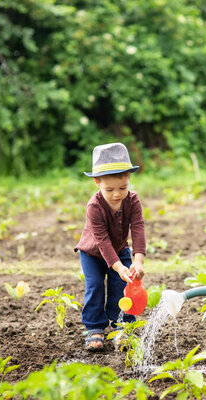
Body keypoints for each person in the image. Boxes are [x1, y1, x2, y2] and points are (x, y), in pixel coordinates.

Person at [74, 142, 146, 351]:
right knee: (95, 286)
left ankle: (122, 327)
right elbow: (102, 240)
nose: (117, 194)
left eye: (122, 188)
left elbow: (138, 228)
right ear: (97, 182)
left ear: (129, 180)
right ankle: (95, 328)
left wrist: (138, 261)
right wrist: (117, 266)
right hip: (93, 254)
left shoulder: (132, 201)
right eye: (110, 189)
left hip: (120, 249)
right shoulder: (94, 207)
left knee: (122, 287)